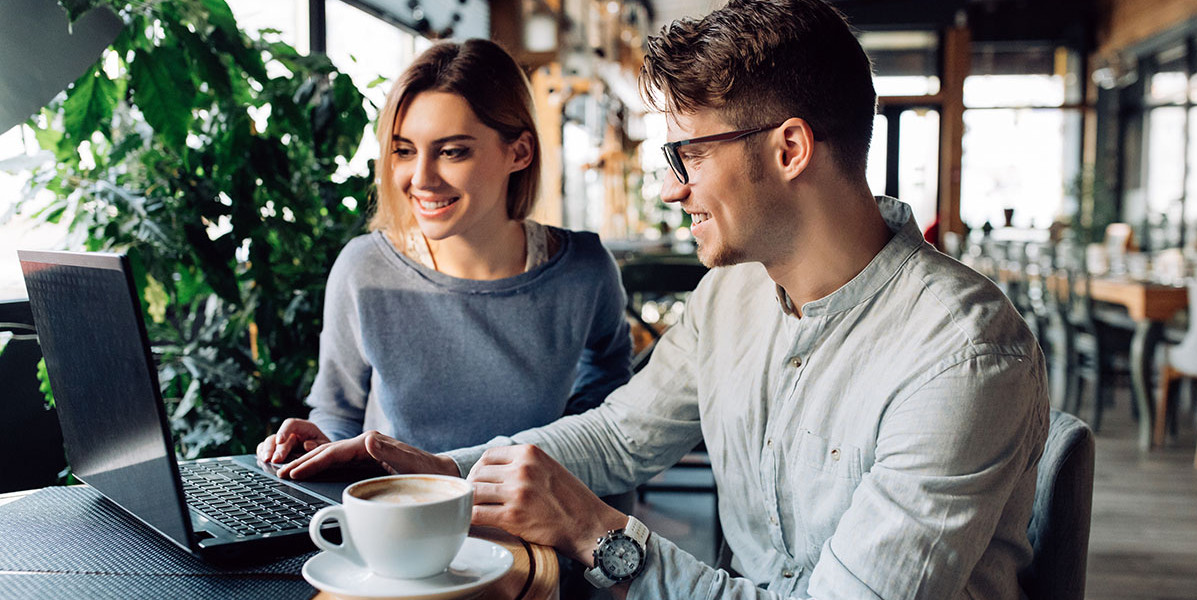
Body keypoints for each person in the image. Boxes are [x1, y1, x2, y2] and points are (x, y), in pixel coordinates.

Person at [277, 1, 1050, 598]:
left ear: (789, 149)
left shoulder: (964, 357)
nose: (673, 188)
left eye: (688, 155)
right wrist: (439, 475)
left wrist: (597, 531)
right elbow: (617, 437)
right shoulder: (729, 298)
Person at [256, 39, 632, 466]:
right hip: (398, 519)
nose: (421, 178)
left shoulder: (584, 271)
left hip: (530, 528)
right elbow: (339, 415)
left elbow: (604, 427)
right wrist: (316, 448)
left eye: (452, 152)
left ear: (520, 151)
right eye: (404, 151)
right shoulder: (365, 269)